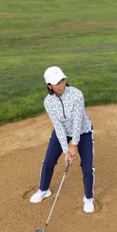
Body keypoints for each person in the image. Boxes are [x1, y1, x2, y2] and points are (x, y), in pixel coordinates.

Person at [30, 66, 95, 213]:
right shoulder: (48, 102)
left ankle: (89, 198)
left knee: (87, 168)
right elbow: (57, 125)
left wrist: (74, 145)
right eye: (57, 83)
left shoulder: (76, 94)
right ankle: (43, 190)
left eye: (63, 80)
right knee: (48, 162)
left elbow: (78, 120)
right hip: (64, 132)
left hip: (83, 132)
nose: (62, 85)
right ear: (49, 86)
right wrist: (66, 150)